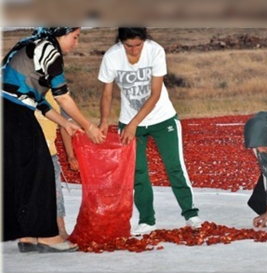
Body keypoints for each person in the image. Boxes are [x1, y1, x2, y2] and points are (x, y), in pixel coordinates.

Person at [2, 27, 105, 253]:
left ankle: (28, 236)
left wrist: (65, 123)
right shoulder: (50, 51)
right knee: (42, 172)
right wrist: (88, 126)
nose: (76, 44)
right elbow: (63, 96)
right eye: (75, 37)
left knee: (24, 173)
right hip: (14, 113)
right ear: (62, 32)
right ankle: (49, 236)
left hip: (10, 111)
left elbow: (38, 99)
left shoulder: (31, 43)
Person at [98, 27, 202, 235]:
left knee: (175, 167)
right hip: (129, 121)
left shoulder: (155, 51)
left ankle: (190, 214)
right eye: (129, 45)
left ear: (145, 41)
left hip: (162, 118)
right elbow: (107, 94)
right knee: (138, 173)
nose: (134, 50)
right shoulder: (112, 56)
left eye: (138, 45)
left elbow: (155, 94)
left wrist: (134, 123)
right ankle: (147, 220)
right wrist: (103, 121)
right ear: (121, 42)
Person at [35, 91, 80, 240]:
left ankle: (59, 228)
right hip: (27, 151)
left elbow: (65, 126)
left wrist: (70, 155)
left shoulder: (56, 95)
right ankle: (29, 234)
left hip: (49, 152)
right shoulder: (21, 88)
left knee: (55, 193)